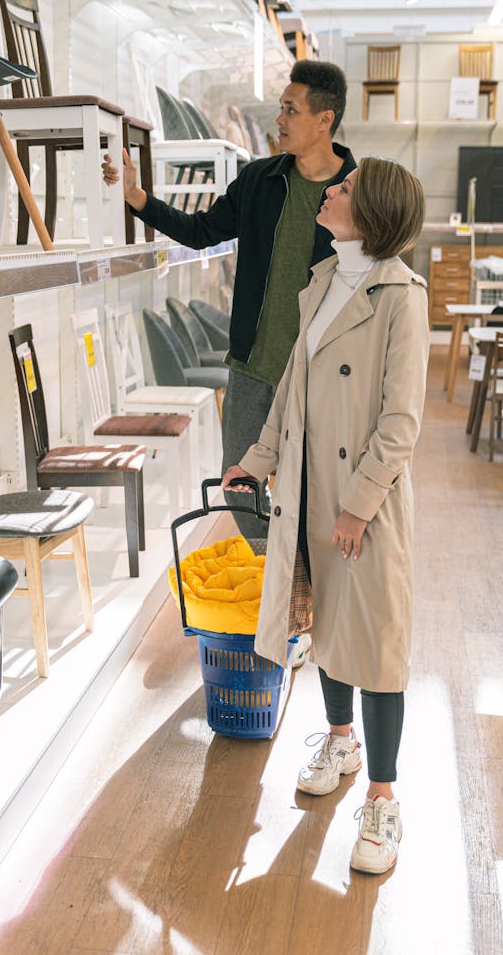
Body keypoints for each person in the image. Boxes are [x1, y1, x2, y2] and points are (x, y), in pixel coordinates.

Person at [222, 156, 428, 874]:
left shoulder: (402, 296)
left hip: (361, 505)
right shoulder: (319, 282)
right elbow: (290, 392)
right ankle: (340, 739)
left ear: (369, 212)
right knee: (328, 628)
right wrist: (256, 456)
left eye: (341, 189)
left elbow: (401, 424)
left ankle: (383, 799)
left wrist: (358, 505)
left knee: (377, 645)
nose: (329, 191)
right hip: (307, 491)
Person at [101, 61, 356, 542]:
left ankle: (306, 582)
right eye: (281, 109)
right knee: (239, 481)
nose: (279, 121)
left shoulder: (357, 191)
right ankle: (266, 567)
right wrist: (137, 197)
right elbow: (201, 233)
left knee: (318, 486)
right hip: (253, 367)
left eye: (290, 110)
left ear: (325, 119)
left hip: (322, 372)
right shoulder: (259, 180)